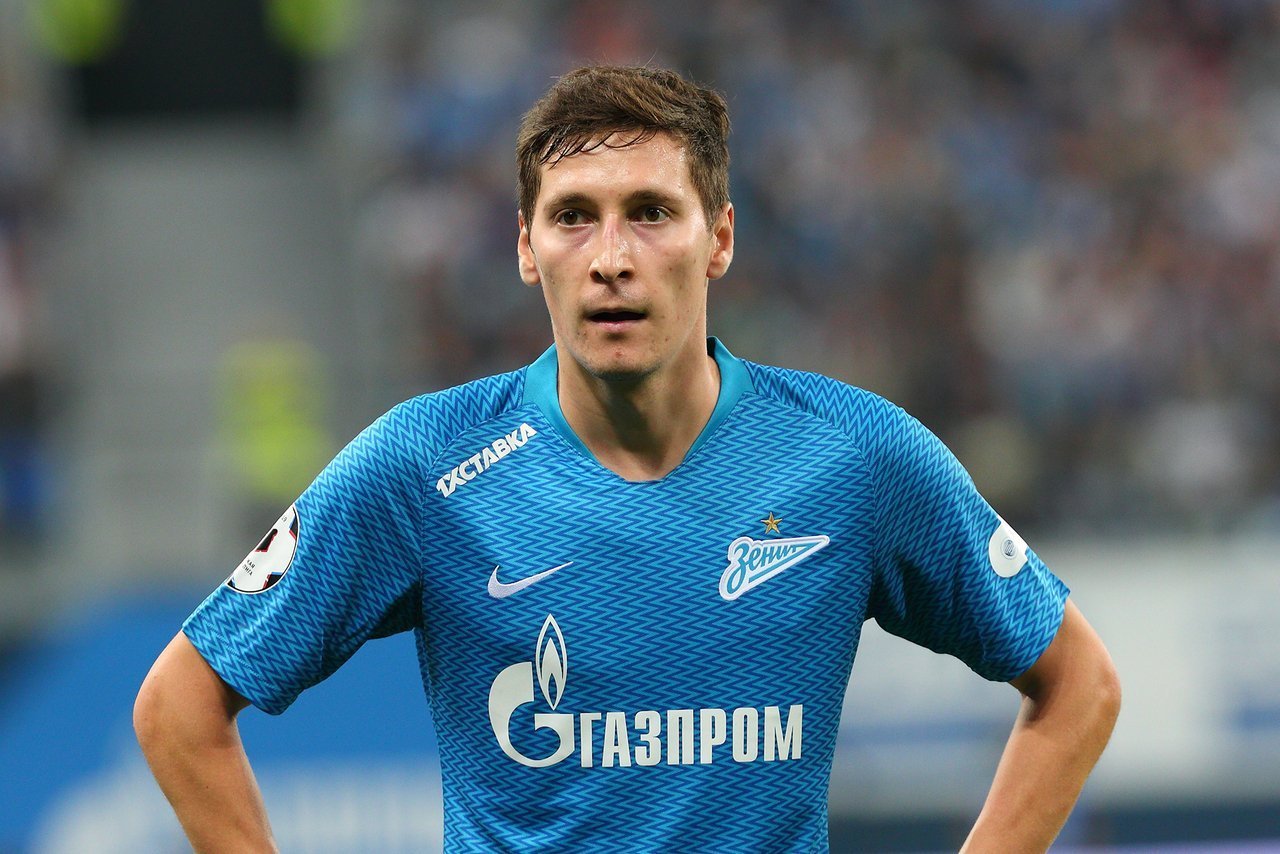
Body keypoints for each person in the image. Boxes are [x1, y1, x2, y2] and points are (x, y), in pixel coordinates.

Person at [134, 65, 1120, 852]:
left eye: (650, 211)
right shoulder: (425, 464)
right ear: (527, 249)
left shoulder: (855, 456)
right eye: (573, 216)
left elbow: (1079, 682)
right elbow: (178, 705)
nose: (611, 257)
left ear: (718, 238)